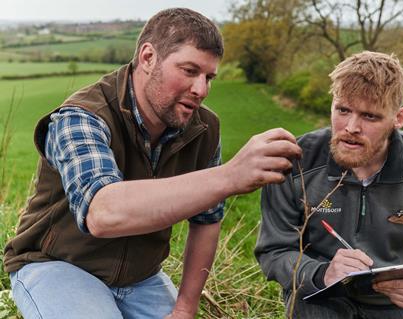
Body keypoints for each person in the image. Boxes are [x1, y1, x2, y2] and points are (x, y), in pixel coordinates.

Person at [3, 8, 302, 319]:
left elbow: (207, 221)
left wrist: (186, 307)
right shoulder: (82, 117)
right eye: (189, 70)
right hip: (57, 265)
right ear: (147, 58)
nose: (201, 90)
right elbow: (103, 213)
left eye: (209, 77)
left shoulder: (204, 129)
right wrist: (229, 176)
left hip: (141, 278)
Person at [254, 51, 403, 318]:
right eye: (343, 110)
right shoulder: (295, 162)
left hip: (389, 302)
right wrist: (322, 273)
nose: (351, 127)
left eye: (370, 116)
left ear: (399, 118)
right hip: (316, 297)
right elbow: (273, 251)